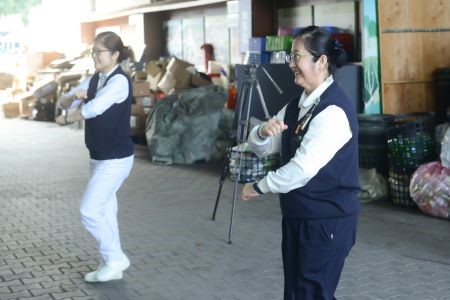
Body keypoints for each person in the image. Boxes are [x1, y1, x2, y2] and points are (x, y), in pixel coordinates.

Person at [241, 25, 360, 300]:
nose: (291, 63)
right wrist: (261, 132)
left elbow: (302, 169)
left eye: (297, 56)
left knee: (311, 293)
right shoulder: (297, 105)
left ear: (321, 62)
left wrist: (259, 186)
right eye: (290, 56)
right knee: (296, 293)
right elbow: (264, 146)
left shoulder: (333, 112)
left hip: (326, 220)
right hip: (299, 216)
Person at [56, 31, 134, 283]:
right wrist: (69, 99)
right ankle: (110, 265)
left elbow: (94, 108)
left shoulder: (119, 82)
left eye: (99, 52)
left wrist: (69, 117)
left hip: (116, 159)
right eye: (94, 52)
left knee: (89, 210)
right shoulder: (96, 78)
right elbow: (68, 99)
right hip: (99, 156)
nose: (95, 56)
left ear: (115, 55)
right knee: (107, 211)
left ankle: (116, 258)